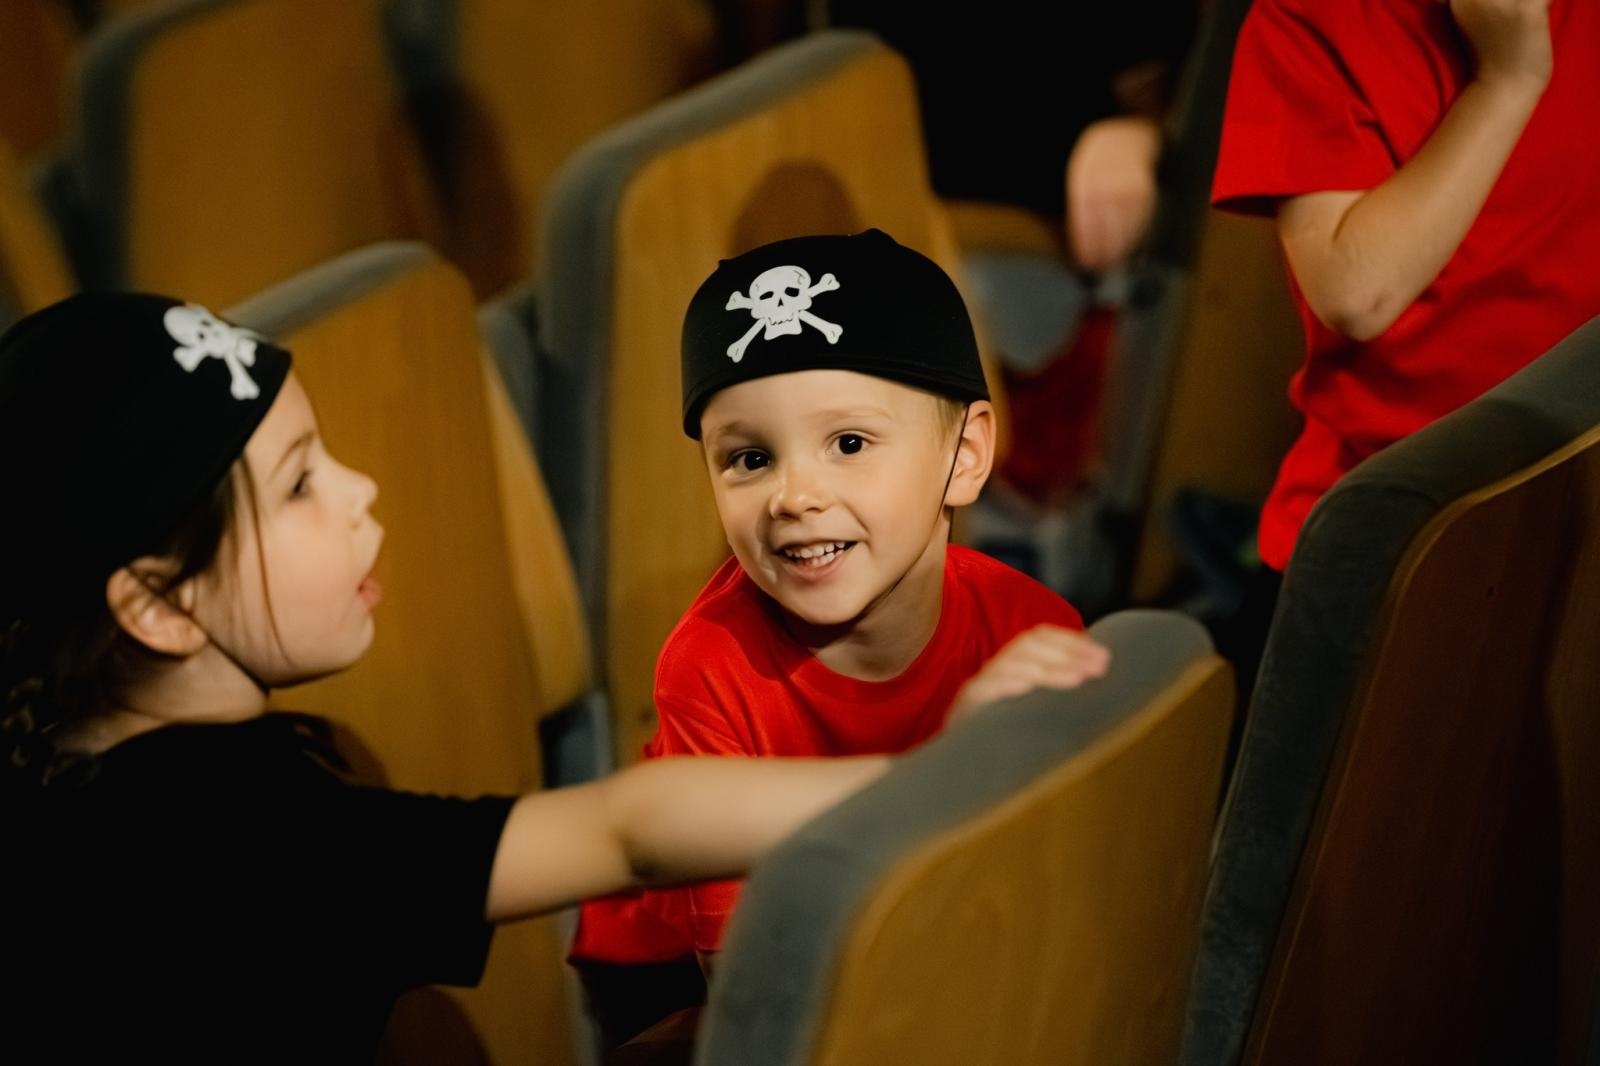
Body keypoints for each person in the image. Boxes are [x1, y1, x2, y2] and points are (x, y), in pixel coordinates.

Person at [0, 292, 919, 1062]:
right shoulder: (244, 840)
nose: (358, 489)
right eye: (297, 485)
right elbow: (627, 833)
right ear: (157, 603)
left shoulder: (63, 765)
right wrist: (932, 776)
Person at [571, 230, 1109, 1034]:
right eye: (749, 459)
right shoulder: (707, 667)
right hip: (675, 985)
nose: (794, 495)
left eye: (849, 444)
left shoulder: (1032, 627)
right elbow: (748, 986)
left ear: (964, 455)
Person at [1209, 0, 1600, 691]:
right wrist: (1509, 80)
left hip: (1572, 528)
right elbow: (1357, 293)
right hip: (1392, 537)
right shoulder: (1308, 21)